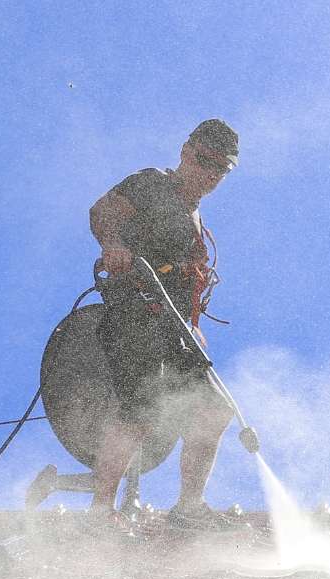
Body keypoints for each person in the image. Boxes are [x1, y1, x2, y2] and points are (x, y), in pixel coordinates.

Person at [88, 118, 239, 529]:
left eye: (220, 169)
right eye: (205, 160)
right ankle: (100, 513)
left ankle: (189, 508)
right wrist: (114, 244)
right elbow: (103, 211)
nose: (209, 174)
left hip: (175, 329)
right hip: (135, 314)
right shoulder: (153, 184)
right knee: (138, 409)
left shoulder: (194, 218)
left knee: (214, 409)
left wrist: (192, 325)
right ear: (186, 150)